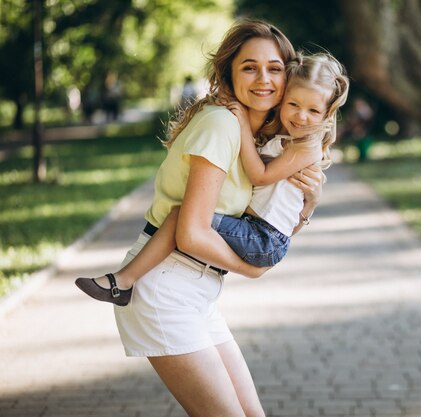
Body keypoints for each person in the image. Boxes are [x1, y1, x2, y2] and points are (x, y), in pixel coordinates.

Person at [76, 20, 326, 417]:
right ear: (229, 72)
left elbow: (264, 221)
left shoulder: (264, 138)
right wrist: (253, 270)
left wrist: (308, 204)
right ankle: (120, 282)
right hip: (166, 286)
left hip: (199, 290)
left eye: (274, 68)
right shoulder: (223, 123)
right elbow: (191, 232)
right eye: (249, 67)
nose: (263, 79)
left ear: (289, 76)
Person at [75, 52, 349, 306]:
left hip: (264, 237)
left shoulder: (307, 146)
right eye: (293, 104)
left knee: (183, 217)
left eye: (313, 111)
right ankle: (124, 281)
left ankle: (122, 281)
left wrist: (241, 125)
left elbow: (259, 175)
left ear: (327, 114)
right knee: (186, 217)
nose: (300, 116)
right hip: (259, 231)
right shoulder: (287, 137)